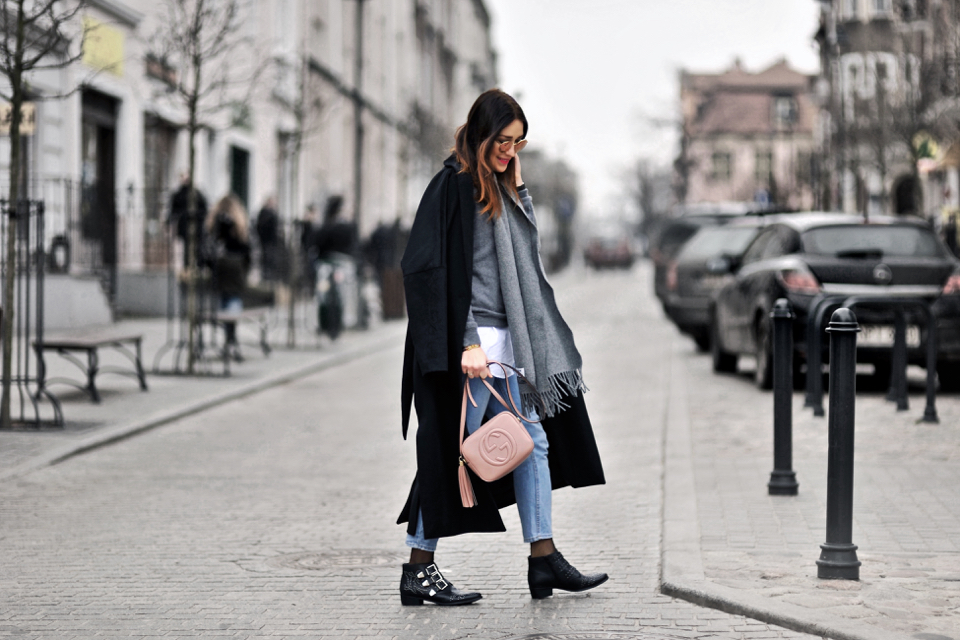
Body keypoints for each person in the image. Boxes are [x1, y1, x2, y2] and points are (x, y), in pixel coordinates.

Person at [397, 89, 608, 606]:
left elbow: (525, 257)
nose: (510, 150)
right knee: (450, 452)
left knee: (533, 443)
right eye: (503, 140)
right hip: (474, 351)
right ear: (482, 133)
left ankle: (543, 557)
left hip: (506, 346)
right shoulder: (455, 186)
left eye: (518, 143)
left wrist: (517, 183)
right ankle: (418, 567)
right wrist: (468, 341)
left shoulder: (499, 186)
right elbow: (438, 272)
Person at [205, 194, 252, 361]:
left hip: (224, 274)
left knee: (228, 306)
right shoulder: (236, 223)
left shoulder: (220, 223)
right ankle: (231, 341)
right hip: (232, 275)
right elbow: (246, 251)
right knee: (230, 307)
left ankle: (230, 341)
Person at [168, 173, 208, 268]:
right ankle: (188, 267)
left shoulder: (197, 194)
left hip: (196, 227)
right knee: (186, 249)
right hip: (185, 227)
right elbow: (173, 211)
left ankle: (197, 266)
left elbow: (204, 210)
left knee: (198, 248)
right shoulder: (179, 194)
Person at [254, 196, 283, 283]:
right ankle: (266, 277)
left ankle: (269, 277)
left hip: (271, 241)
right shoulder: (266, 214)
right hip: (266, 241)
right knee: (267, 259)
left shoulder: (271, 214)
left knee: (270, 259)